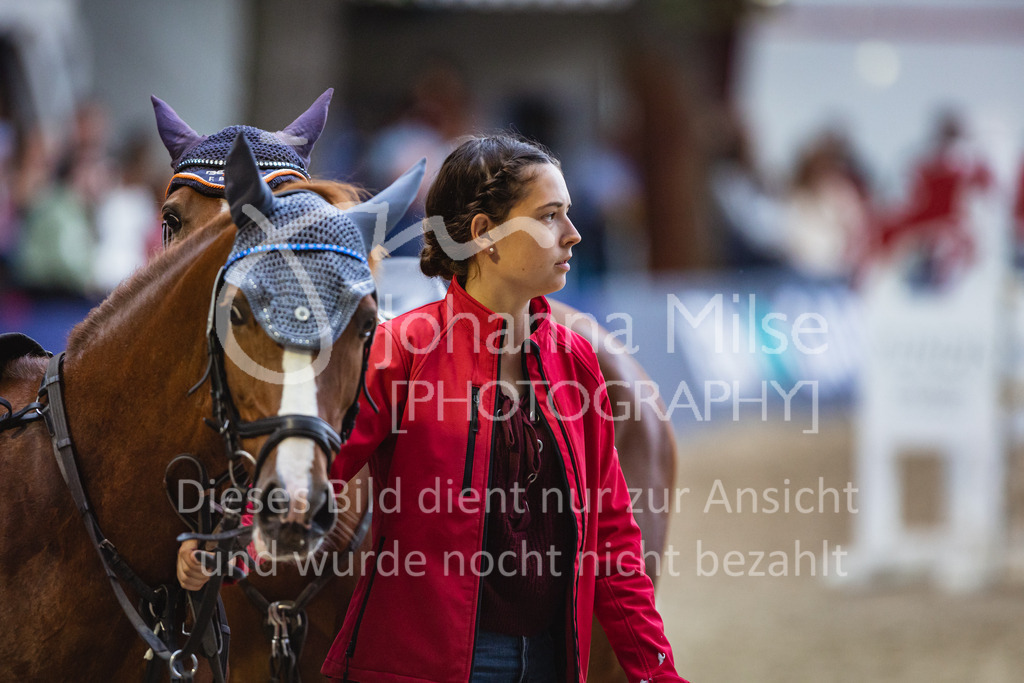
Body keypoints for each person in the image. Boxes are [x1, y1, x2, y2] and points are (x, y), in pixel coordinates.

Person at [321, 134, 686, 682]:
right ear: (485, 234)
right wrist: (230, 554)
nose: (573, 234)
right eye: (550, 217)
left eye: (568, 214)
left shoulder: (579, 361)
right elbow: (312, 478)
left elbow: (612, 539)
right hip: (421, 668)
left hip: (552, 661)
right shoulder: (400, 351)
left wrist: (657, 673)